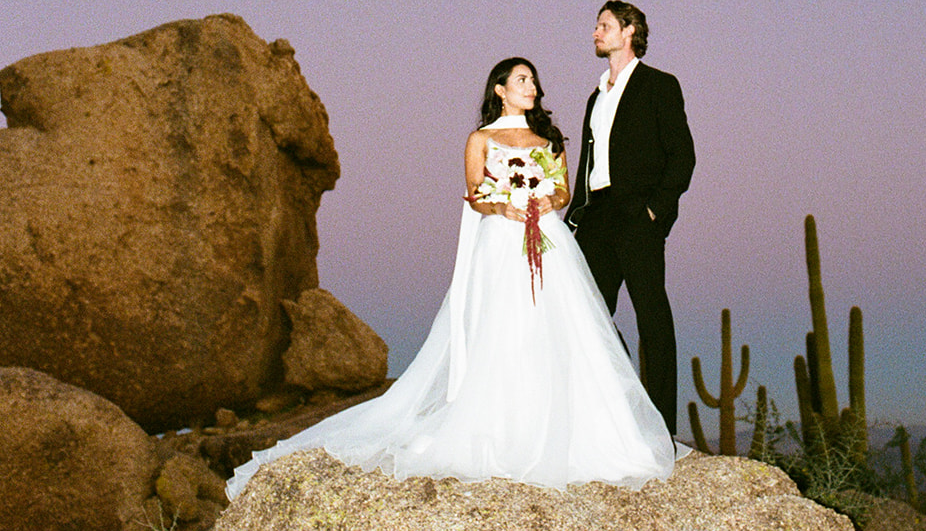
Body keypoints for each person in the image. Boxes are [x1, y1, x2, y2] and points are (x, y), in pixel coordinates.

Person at [227, 56, 674, 498]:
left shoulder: (549, 138)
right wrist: (503, 205)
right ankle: (501, 427)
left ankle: (569, 427)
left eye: (534, 79)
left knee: (559, 327)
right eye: (522, 79)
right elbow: (476, 193)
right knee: (505, 327)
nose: (531, 86)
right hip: (502, 241)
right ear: (500, 90)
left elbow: (563, 189)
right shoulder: (479, 139)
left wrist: (545, 201)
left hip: (549, 240)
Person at [566, 2, 695, 437]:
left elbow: (682, 155)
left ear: (629, 30)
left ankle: (660, 428)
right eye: (596, 24)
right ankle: (609, 417)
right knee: (589, 319)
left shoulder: (659, 85)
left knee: (652, 319)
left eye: (604, 25)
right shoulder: (595, 96)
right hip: (597, 218)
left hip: (638, 216)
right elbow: (588, 163)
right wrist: (574, 219)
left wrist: (656, 210)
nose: (595, 32)